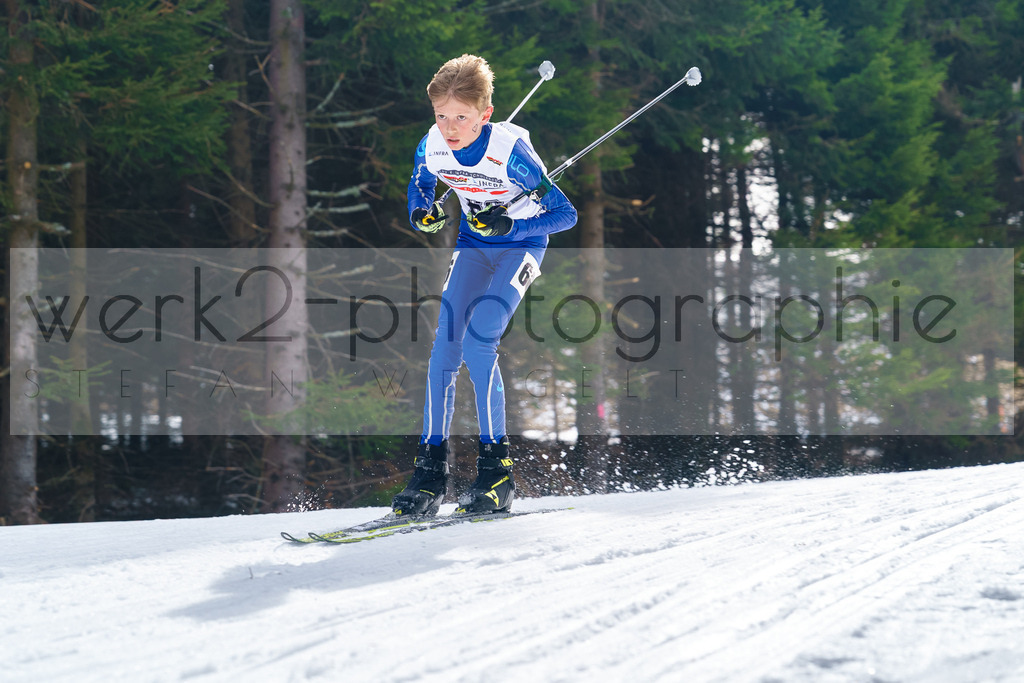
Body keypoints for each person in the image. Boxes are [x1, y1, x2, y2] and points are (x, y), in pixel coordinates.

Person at [392, 54, 578, 517]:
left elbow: (565, 215)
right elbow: (420, 186)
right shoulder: (432, 144)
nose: (450, 128)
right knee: (445, 346)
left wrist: (511, 227)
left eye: (461, 117)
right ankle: (430, 474)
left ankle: (497, 474)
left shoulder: (511, 155)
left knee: (480, 340)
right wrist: (422, 212)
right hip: (474, 246)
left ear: (485, 114)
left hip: (523, 246)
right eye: (441, 115)